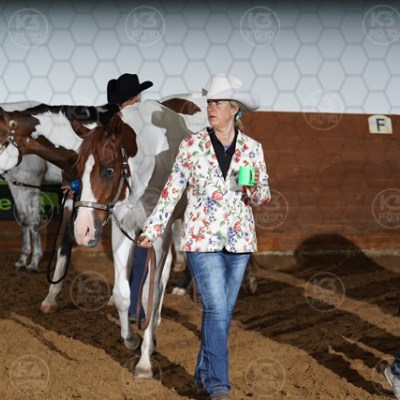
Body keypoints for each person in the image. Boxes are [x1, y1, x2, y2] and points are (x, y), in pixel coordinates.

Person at [137, 73, 271, 400]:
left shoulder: (252, 149)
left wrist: (254, 188)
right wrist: (153, 228)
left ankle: (202, 371)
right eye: (209, 102)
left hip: (239, 241)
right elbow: (171, 191)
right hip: (200, 239)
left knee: (222, 313)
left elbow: (263, 196)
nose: (210, 108)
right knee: (216, 308)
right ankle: (218, 385)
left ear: (234, 109)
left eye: (218, 103)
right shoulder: (191, 145)